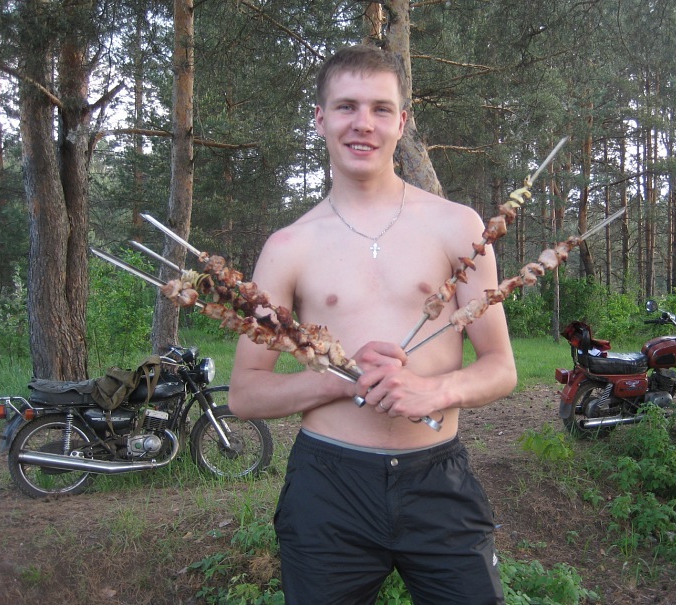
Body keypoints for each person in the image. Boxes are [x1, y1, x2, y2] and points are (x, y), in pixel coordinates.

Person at [228, 44, 517, 605]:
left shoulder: (459, 228)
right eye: (347, 106)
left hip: (438, 479)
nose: (364, 123)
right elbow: (245, 394)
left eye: (381, 109)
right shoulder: (287, 248)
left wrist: (432, 391)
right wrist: (343, 380)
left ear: (402, 123)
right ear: (320, 119)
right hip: (328, 486)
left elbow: (501, 368)